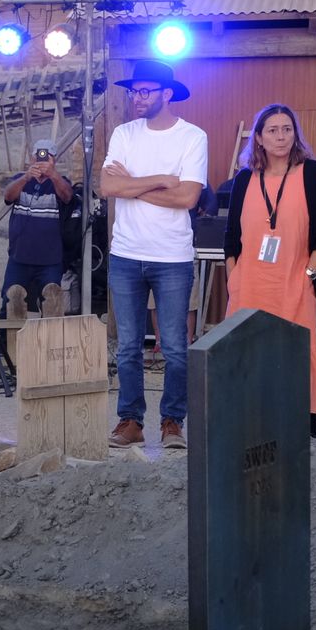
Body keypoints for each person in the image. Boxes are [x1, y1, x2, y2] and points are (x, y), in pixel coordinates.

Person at [99, 59, 207, 451]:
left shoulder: (192, 137)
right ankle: (130, 420)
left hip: (172, 256)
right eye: (134, 92)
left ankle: (172, 422)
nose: (137, 98)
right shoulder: (124, 133)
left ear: (166, 93)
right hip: (126, 253)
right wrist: (161, 179)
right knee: (128, 346)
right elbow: (107, 186)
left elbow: (188, 197)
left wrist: (132, 184)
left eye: (145, 91)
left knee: (175, 347)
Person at [224, 105, 316, 435]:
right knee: (247, 354)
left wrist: (308, 275)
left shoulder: (312, 173)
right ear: (259, 138)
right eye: (273, 130)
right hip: (249, 285)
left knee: (299, 354)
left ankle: (298, 428)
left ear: (295, 134)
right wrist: (234, 278)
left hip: (295, 283)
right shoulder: (245, 178)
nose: (281, 136)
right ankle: (247, 424)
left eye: (287, 129)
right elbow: (231, 236)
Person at [1, 138, 76, 317]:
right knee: (9, 303)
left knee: (52, 306)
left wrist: (53, 174)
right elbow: (8, 197)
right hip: (19, 257)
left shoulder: (60, 181)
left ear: (54, 160)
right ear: (32, 158)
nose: (41, 160)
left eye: (46, 156)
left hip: (49, 261)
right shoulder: (20, 180)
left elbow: (67, 197)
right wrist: (26, 177)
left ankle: (49, 344)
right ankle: (4, 344)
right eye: (38, 156)